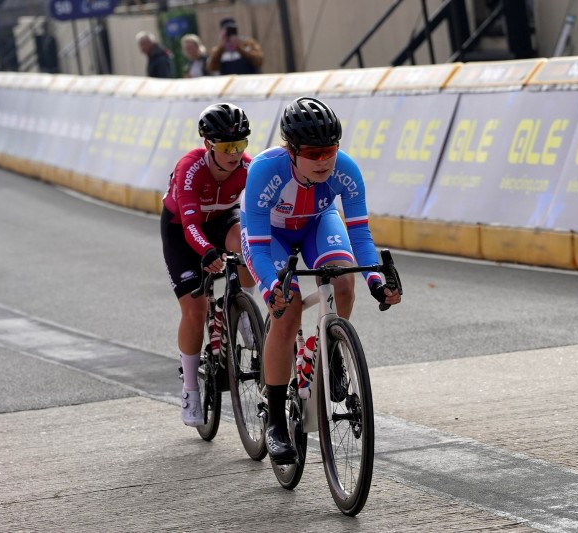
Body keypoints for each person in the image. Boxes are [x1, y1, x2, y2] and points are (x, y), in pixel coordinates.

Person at [241, 97, 402, 463]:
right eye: (313, 153)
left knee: (345, 282)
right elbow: (260, 249)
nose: (324, 160)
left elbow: (360, 236)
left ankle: (329, 349)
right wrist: (271, 287)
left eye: (330, 150)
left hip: (316, 224)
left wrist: (377, 279)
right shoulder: (266, 171)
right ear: (292, 151)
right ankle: (277, 422)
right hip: (272, 237)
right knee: (289, 310)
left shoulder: (346, 170)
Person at [161, 103, 257, 426]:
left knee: (248, 244)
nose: (234, 154)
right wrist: (206, 252)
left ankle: (244, 313)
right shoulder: (190, 169)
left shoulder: (248, 168)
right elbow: (190, 226)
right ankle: (190, 388)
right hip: (182, 229)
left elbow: (260, 217)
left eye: (240, 145)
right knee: (196, 309)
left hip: (221, 219)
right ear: (208, 146)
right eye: (227, 147)